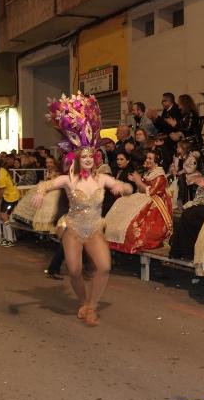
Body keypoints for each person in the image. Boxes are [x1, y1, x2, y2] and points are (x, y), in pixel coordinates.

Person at [33, 92, 132, 326]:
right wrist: (40, 192)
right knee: (75, 270)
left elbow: (126, 187)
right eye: (84, 157)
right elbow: (47, 184)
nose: (88, 160)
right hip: (73, 229)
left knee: (104, 267)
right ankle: (83, 301)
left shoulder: (102, 178)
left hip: (95, 229)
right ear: (77, 159)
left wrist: (124, 187)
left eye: (91, 156)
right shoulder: (69, 180)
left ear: (95, 158)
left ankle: (92, 307)